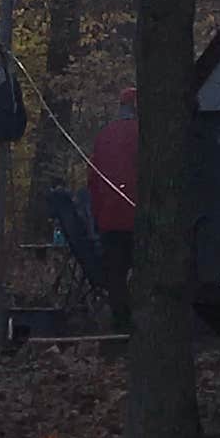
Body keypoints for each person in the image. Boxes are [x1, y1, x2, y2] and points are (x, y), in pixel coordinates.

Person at [86, 89, 139, 333]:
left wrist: (97, 216)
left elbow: (93, 180)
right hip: (140, 218)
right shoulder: (146, 134)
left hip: (110, 218)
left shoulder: (104, 135)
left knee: (116, 275)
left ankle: (121, 324)